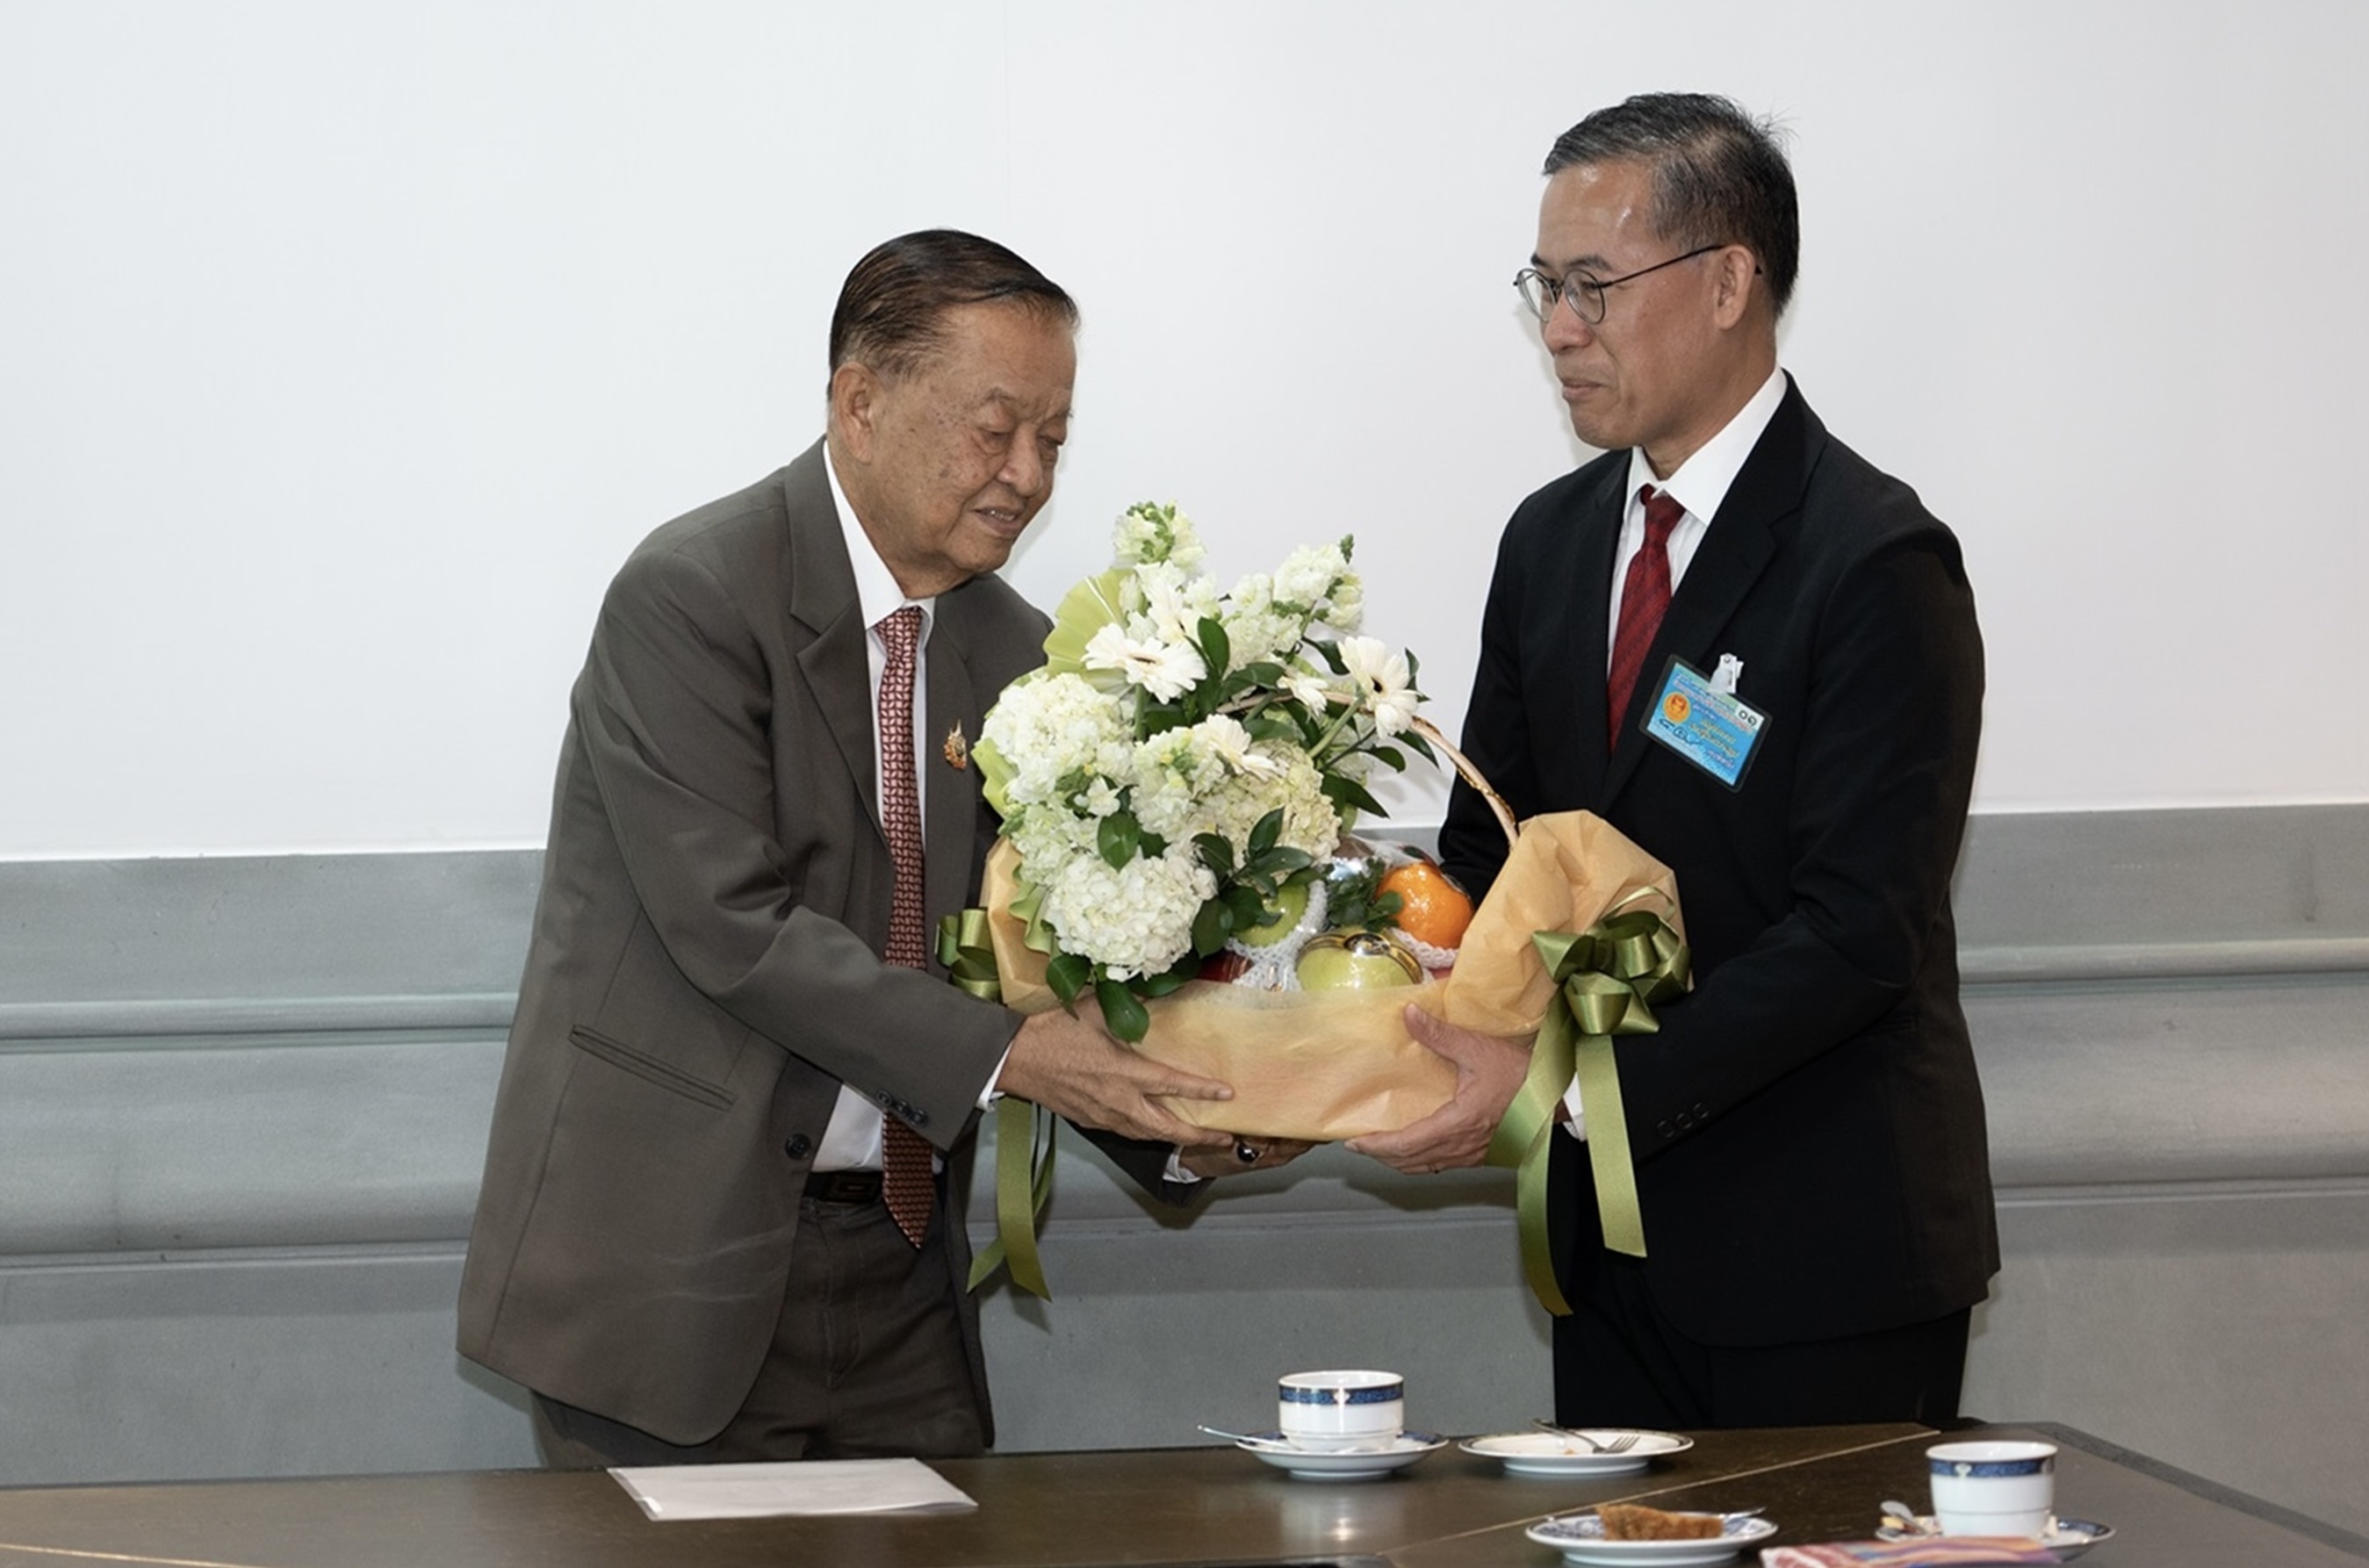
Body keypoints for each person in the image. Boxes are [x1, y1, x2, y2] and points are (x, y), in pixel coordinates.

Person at [458, 229, 1304, 1467]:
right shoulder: (691, 595)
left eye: (1054, 440)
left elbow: (1034, 965)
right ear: (860, 405)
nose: (1026, 474)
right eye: (995, 429)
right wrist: (1016, 1057)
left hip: (903, 1276)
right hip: (675, 1277)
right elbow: (735, 932)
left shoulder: (1018, 653)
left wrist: (1178, 1121)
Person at [1350, 95, 1997, 1429]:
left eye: (1592, 285)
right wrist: (1314, 984)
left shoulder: (1873, 559)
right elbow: (1490, 854)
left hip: (1821, 1256)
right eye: (1543, 287)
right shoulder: (1548, 540)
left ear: (1726, 284)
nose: (1559, 329)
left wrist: (1569, 1094)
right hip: (1602, 1252)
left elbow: (1857, 934)